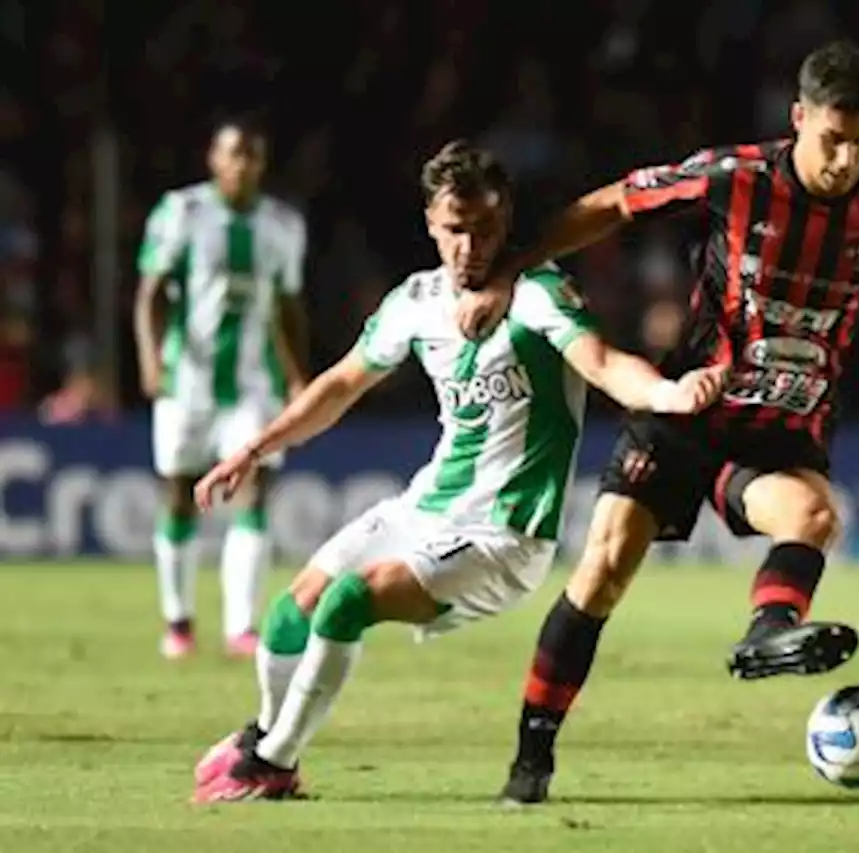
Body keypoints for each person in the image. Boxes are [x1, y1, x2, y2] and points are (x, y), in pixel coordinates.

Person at [454, 39, 859, 804]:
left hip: (783, 435)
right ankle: (531, 757)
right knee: (604, 570)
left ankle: (769, 629)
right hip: (689, 409)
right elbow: (612, 202)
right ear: (799, 117)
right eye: (832, 139)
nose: (845, 159)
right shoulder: (735, 177)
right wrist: (510, 268)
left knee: (814, 514)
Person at [187, 140, 727, 803]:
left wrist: (670, 393)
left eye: (486, 229)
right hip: (426, 508)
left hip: (506, 535)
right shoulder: (415, 300)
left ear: (507, 224)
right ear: (429, 224)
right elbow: (338, 385)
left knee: (350, 598)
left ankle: (272, 759)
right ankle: (270, 735)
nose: (471, 246)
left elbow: (605, 364)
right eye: (455, 230)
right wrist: (253, 448)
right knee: (288, 613)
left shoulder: (538, 294)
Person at [134, 116, 308, 660]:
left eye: (252, 156)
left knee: (255, 492)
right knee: (179, 494)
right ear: (213, 158)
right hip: (187, 379)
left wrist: (299, 374)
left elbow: (287, 306)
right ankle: (179, 619)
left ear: (262, 163)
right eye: (233, 154)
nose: (242, 165)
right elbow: (151, 293)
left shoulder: (282, 224)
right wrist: (149, 359)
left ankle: (241, 625)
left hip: (255, 383)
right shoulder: (182, 212)